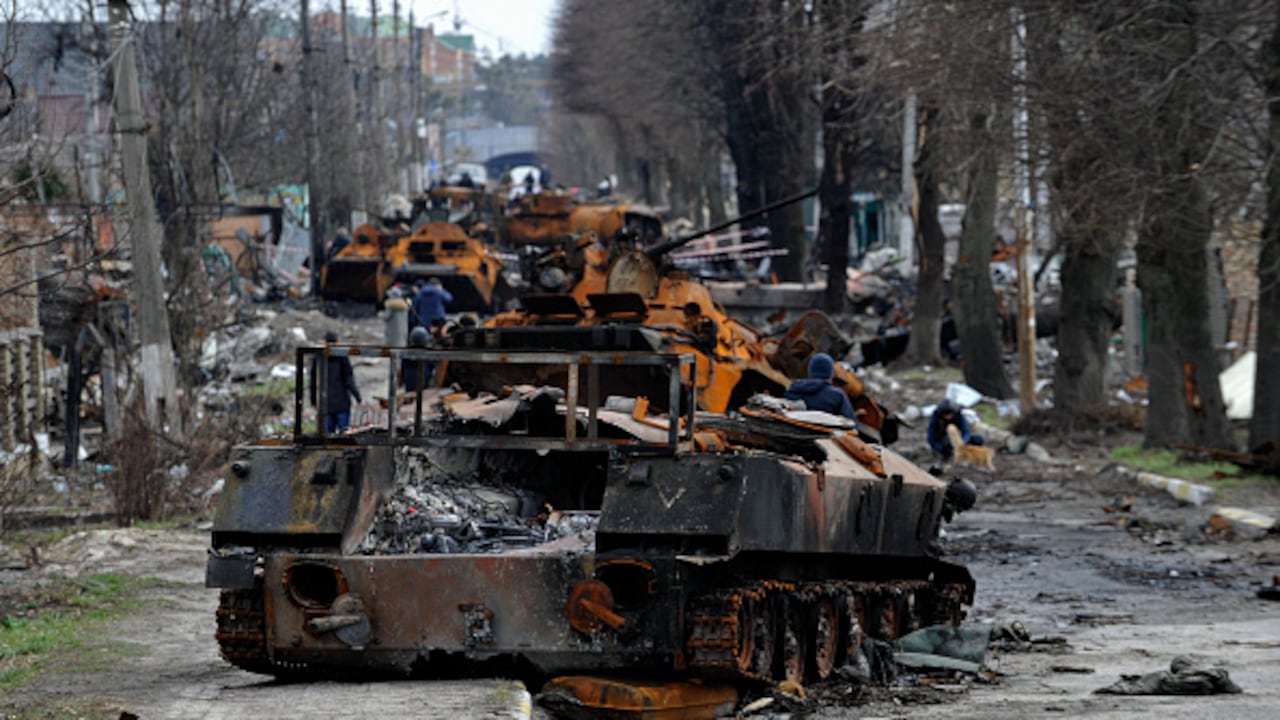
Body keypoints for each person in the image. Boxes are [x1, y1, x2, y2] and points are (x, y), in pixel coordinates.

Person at [310, 330, 362, 433]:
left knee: (328, 438)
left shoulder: (318, 357)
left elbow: (313, 381)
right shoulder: (342, 356)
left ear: (324, 342)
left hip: (326, 404)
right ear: (338, 342)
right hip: (341, 403)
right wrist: (358, 398)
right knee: (345, 436)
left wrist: (313, 400)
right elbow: (349, 380)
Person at [783, 353, 855, 420]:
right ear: (831, 373)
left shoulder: (794, 387)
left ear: (810, 370)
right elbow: (849, 421)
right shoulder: (837, 395)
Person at [401, 326, 434, 392]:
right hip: (424, 386)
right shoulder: (428, 354)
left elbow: (403, 370)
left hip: (409, 386)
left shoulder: (406, 354)